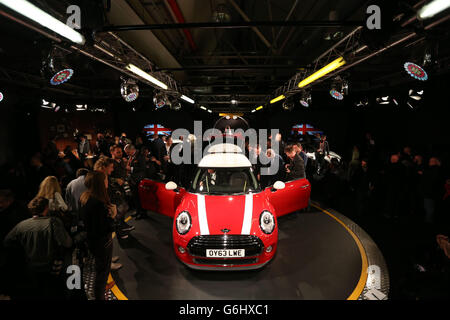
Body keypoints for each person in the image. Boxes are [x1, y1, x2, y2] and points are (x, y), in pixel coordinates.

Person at [4, 197, 73, 299]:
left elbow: (7, 241)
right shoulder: (53, 222)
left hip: (31, 269)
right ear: (46, 208)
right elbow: (67, 243)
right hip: (51, 269)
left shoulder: (22, 225)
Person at [79, 171, 116, 300]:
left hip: (93, 241)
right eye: (105, 180)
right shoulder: (97, 204)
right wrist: (113, 216)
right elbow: (104, 228)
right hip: (102, 242)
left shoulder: (85, 197)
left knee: (100, 268)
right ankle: (100, 295)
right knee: (102, 272)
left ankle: (100, 290)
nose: (107, 182)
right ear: (100, 183)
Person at [124, 144, 148, 220]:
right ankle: (138, 211)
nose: (127, 154)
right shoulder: (132, 156)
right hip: (132, 179)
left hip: (138, 180)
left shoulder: (140, 156)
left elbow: (143, 168)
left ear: (132, 150)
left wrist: (130, 168)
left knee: (139, 197)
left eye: (127, 152)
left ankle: (142, 213)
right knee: (135, 197)